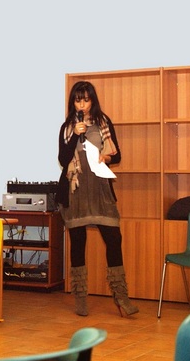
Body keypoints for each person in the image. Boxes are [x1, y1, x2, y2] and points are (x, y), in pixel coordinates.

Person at [56, 80, 138, 318]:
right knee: (78, 242)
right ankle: (81, 297)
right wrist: (75, 136)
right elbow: (63, 158)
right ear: (73, 102)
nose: (81, 103)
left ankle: (121, 297)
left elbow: (118, 154)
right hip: (76, 191)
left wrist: (107, 158)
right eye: (77, 99)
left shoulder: (104, 123)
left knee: (114, 238)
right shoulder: (68, 127)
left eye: (86, 99)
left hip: (100, 189)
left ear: (93, 100)